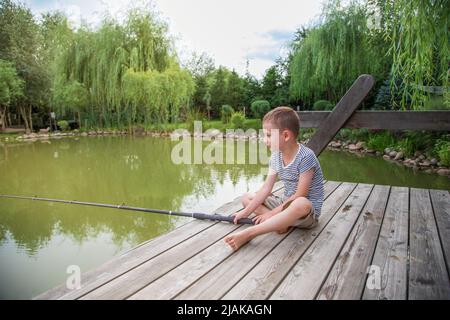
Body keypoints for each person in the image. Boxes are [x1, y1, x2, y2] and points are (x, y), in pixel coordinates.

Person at [224, 106, 324, 251]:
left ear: (286, 136)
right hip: (285, 204)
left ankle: (251, 233)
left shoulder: (306, 157)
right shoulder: (276, 156)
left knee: (301, 202)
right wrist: (244, 213)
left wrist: (271, 213)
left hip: (305, 213)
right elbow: (266, 188)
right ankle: (280, 224)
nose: (265, 140)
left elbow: (300, 195)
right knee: (247, 197)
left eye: (269, 135)